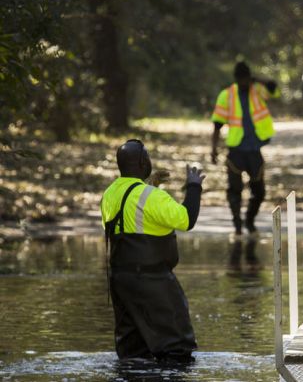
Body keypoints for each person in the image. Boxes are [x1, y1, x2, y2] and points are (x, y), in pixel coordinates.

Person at [101, 139, 205, 363]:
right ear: (142, 162)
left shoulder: (109, 194)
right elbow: (187, 219)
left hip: (120, 280)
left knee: (132, 353)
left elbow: (133, 216)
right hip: (152, 280)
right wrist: (194, 187)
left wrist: (150, 186)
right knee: (178, 349)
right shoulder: (152, 197)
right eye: (147, 156)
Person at [211, 61, 279, 235]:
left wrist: (257, 79)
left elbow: (274, 88)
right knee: (234, 190)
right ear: (236, 79)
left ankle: (249, 220)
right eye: (241, 80)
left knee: (259, 191)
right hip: (236, 150)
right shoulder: (226, 95)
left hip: (254, 149)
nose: (244, 83)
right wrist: (214, 149)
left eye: (247, 79)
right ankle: (238, 224)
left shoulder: (257, 90)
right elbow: (217, 125)